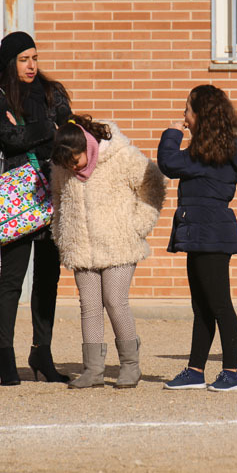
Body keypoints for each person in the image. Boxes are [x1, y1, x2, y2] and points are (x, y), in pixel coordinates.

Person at [0, 31, 72, 386]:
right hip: (15, 199)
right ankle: (5, 354)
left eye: (34, 58)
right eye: (23, 60)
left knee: (48, 279)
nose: (32, 66)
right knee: (12, 279)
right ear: (9, 63)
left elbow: (68, 133)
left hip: (52, 192)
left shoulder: (53, 91)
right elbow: (9, 138)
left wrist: (37, 130)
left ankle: (41, 352)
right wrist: (47, 128)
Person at [157, 84, 237, 392]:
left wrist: (172, 134)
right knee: (202, 305)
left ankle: (231, 372)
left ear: (202, 115)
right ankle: (195, 370)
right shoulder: (217, 150)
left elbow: (168, 163)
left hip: (210, 234)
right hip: (202, 233)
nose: (184, 117)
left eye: (187, 111)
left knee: (219, 304)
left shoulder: (205, 154)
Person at [50, 114, 167, 389]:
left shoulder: (121, 156)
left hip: (119, 244)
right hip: (81, 247)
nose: (72, 167)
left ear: (86, 146)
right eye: (67, 164)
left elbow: (154, 183)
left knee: (115, 301)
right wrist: (62, 234)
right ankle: (93, 370)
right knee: (89, 307)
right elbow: (57, 198)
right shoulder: (61, 167)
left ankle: (130, 366)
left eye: (75, 160)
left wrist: (138, 226)